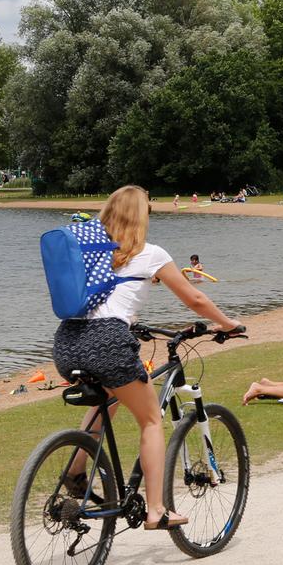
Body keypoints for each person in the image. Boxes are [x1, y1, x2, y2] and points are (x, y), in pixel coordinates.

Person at [54, 185, 244, 530]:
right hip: (109, 341)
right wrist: (228, 324)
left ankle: (75, 467)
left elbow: (103, 299)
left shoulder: (90, 253)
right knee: (151, 420)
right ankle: (157, 509)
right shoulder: (151, 253)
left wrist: (132, 323)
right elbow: (195, 300)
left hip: (67, 341)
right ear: (141, 218)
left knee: (109, 397)